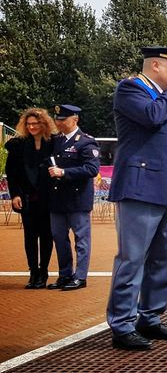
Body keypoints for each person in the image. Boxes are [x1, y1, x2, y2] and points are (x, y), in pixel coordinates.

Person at [105, 46, 167, 351]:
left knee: (162, 259)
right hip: (140, 189)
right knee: (133, 258)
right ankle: (122, 324)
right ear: (156, 65)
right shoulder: (132, 89)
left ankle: (150, 316)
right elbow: (151, 117)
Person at [47, 105, 100, 291]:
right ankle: (65, 274)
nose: (59, 123)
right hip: (58, 199)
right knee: (59, 238)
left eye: (63, 119)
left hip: (77, 199)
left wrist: (64, 172)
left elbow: (92, 169)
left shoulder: (86, 142)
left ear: (75, 120)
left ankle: (80, 276)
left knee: (81, 239)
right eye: (57, 119)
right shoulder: (56, 140)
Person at [3, 108, 56, 289]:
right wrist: (15, 194)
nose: (32, 126)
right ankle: (33, 272)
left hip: (48, 199)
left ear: (44, 124)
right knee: (30, 237)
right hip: (27, 198)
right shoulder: (18, 145)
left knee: (47, 236)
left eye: (36, 123)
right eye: (29, 124)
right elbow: (12, 173)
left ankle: (44, 272)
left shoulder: (54, 143)